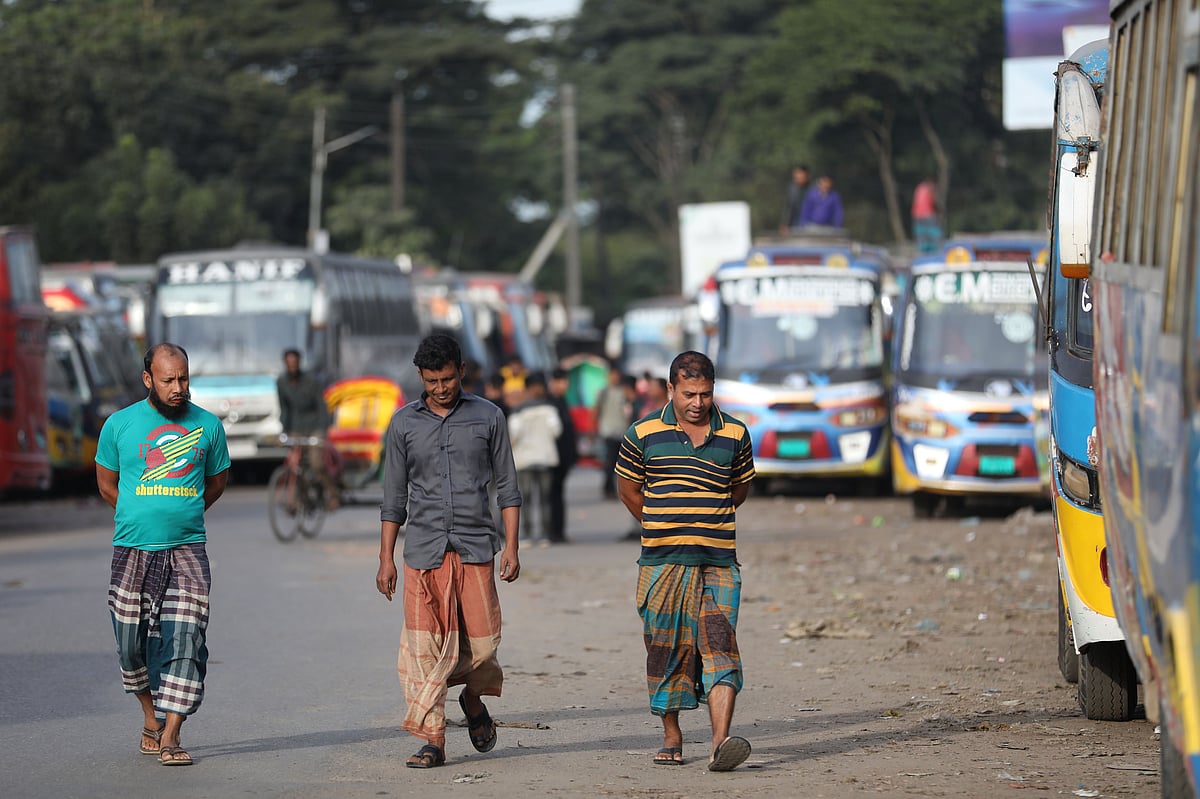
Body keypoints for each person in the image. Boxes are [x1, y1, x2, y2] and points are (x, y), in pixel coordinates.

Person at [375, 333, 522, 770]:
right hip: (422, 553)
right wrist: (385, 558)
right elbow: (393, 497)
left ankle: (473, 701)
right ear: (420, 376)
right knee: (424, 649)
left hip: (477, 548)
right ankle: (432, 741)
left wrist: (512, 546)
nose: (441, 387)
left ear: (461, 369)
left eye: (447, 378)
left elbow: (508, 488)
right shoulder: (403, 424)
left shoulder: (489, 417)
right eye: (432, 380)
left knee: (484, 645)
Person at [614, 350, 756, 772]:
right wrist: (662, 525)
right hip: (661, 562)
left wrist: (703, 522)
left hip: (718, 560)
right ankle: (672, 734)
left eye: (706, 394)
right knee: (666, 648)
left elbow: (738, 492)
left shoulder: (736, 434)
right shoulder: (642, 434)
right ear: (670, 389)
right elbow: (628, 490)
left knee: (720, 645)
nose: (697, 403)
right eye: (689, 393)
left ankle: (719, 742)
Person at [94, 342, 232, 767]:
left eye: (184, 378)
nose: (178, 388)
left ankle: (172, 734)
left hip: (189, 550)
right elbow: (106, 485)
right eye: (169, 380)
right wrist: (140, 515)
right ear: (148, 379)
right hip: (132, 550)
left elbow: (217, 483)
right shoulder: (118, 425)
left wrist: (184, 514)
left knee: (186, 637)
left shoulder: (208, 426)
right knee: (130, 645)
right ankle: (151, 718)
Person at [276, 348, 339, 510]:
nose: (292, 366)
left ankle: (332, 493)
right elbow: (285, 409)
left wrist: (323, 431)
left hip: (314, 426)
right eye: (289, 363)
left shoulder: (312, 382)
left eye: (294, 363)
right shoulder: (281, 383)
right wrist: (283, 430)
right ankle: (296, 499)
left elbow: (322, 408)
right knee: (294, 464)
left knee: (316, 464)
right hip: (296, 427)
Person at [507, 371, 561, 547]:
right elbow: (557, 431)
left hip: (524, 459)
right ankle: (545, 534)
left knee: (526, 499)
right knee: (545, 499)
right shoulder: (550, 409)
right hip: (546, 458)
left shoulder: (518, 411)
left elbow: (513, 435)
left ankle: (527, 535)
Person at [593, 364, 636, 499]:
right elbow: (596, 410)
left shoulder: (624, 391)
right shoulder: (603, 392)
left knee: (619, 463)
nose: (614, 378)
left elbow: (633, 402)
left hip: (622, 431)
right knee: (609, 462)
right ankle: (608, 488)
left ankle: (613, 488)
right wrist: (593, 429)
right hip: (608, 431)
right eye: (612, 375)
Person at [547, 367, 578, 543]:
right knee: (553, 496)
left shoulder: (563, 401)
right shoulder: (551, 403)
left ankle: (558, 531)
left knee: (558, 494)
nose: (563, 385)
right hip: (554, 457)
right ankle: (554, 532)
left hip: (563, 457)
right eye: (560, 382)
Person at [911, 176, 942, 253]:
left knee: (921, 233)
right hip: (928, 213)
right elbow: (934, 200)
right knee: (934, 232)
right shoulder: (930, 187)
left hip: (917, 214)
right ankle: (936, 251)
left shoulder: (919, 187)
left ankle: (923, 250)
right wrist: (939, 210)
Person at [779, 164, 811, 233]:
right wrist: (785, 224)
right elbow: (788, 208)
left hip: (810, 225)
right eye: (796, 174)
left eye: (800, 173)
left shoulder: (812, 190)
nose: (797, 176)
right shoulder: (792, 189)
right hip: (795, 225)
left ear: (806, 175)